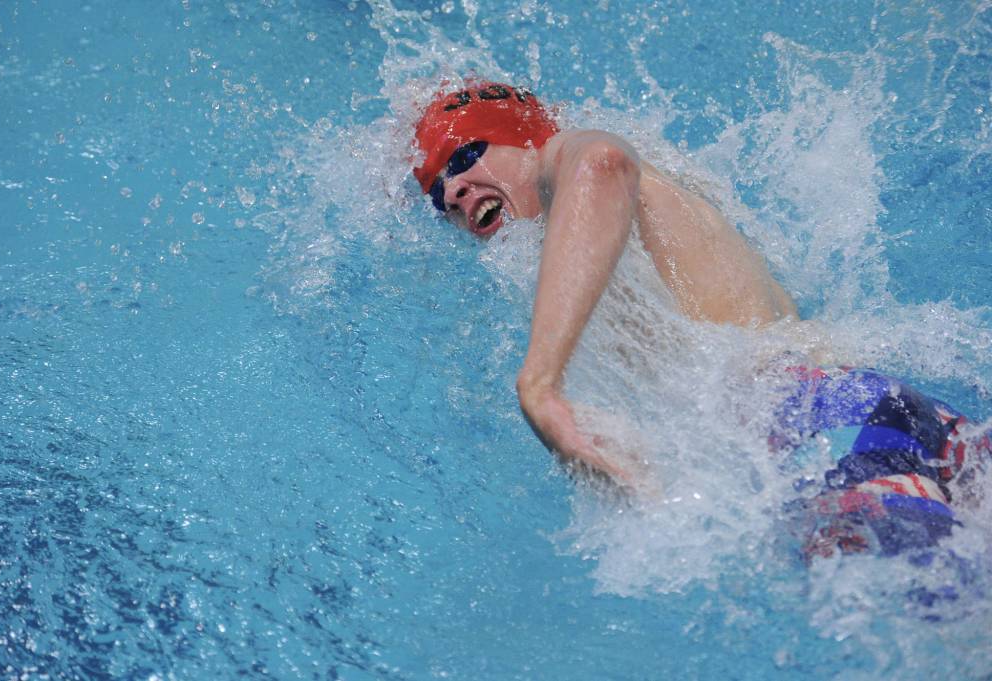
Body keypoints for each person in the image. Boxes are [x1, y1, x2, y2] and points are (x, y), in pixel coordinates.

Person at [411, 81, 988, 559]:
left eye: (464, 157)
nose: (455, 191)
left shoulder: (563, 155)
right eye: (439, 194)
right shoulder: (580, 258)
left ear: (529, 140)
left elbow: (601, 163)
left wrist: (540, 385)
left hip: (815, 424)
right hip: (858, 408)